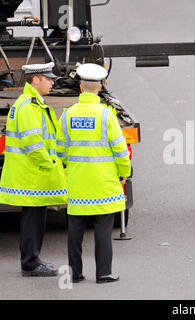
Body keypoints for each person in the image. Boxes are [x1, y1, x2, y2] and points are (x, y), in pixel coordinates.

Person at [56, 63, 131, 284]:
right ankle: (104, 273)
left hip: (78, 183)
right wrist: (124, 172)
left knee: (75, 230)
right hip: (103, 184)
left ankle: (75, 273)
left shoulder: (67, 115)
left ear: (80, 87)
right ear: (99, 88)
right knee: (103, 229)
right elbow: (120, 149)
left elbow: (60, 149)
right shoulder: (106, 115)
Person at [0, 62, 67, 277]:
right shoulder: (29, 106)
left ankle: (33, 259)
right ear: (35, 79)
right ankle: (30, 263)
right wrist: (50, 164)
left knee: (36, 219)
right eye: (48, 78)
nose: (52, 82)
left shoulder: (32, 103)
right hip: (32, 174)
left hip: (32, 174)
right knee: (33, 220)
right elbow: (34, 144)